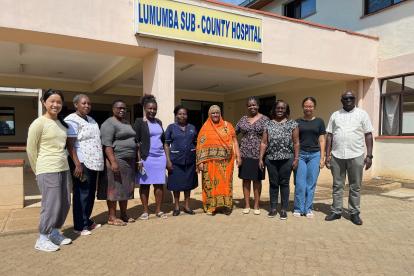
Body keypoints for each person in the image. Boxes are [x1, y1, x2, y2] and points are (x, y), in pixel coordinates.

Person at [27, 89, 72, 252]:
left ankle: (54, 232)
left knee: (65, 202)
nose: (55, 104)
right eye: (52, 101)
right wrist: (37, 170)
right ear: (44, 102)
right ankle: (42, 238)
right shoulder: (38, 123)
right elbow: (31, 150)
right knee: (51, 204)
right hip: (47, 169)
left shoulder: (61, 124)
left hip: (63, 168)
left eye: (59, 102)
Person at [325, 91, 373, 226]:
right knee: (337, 185)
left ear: (355, 99)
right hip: (337, 155)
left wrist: (369, 155)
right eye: (346, 98)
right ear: (341, 100)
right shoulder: (335, 115)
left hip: (356, 155)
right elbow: (329, 136)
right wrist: (327, 155)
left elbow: (368, 134)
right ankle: (336, 211)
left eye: (351, 98)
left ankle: (354, 213)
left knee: (355, 186)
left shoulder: (362, 114)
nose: (348, 100)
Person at [65, 94, 104, 235]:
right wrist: (77, 164)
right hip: (81, 162)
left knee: (90, 193)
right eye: (83, 103)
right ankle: (79, 226)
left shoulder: (92, 120)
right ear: (76, 105)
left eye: (89, 103)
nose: (87, 105)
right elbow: (70, 145)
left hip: (94, 163)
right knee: (81, 193)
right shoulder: (71, 120)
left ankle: (87, 220)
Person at [196, 105, 241, 215]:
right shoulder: (205, 127)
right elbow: (200, 145)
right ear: (209, 114)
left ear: (220, 114)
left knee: (225, 185)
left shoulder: (228, 126)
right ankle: (211, 207)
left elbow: (235, 141)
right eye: (213, 113)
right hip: (209, 163)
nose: (215, 115)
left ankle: (226, 206)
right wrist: (200, 162)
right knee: (210, 186)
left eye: (217, 113)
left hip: (226, 162)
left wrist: (238, 156)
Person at [259, 100, 299, 220]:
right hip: (271, 158)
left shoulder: (293, 124)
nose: (280, 110)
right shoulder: (268, 124)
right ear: (274, 109)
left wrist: (296, 158)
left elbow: (296, 142)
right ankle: (273, 208)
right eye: (278, 108)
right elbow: (264, 142)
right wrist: (260, 158)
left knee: (284, 183)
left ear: (286, 110)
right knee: (273, 183)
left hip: (287, 158)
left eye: (283, 108)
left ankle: (283, 209)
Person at [99, 100, 136, 226]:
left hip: (129, 161)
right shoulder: (109, 123)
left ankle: (124, 214)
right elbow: (107, 145)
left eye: (124, 108)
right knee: (114, 189)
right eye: (119, 108)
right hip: (116, 159)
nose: (122, 110)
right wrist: (113, 162)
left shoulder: (126, 123)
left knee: (126, 188)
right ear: (113, 109)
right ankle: (112, 217)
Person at [134, 95, 168, 220]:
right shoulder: (139, 122)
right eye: (150, 108)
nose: (152, 111)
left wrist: (166, 158)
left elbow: (163, 140)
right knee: (145, 185)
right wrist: (139, 160)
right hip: (146, 158)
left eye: (154, 109)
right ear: (144, 108)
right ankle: (145, 211)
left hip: (159, 158)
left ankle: (158, 210)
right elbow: (136, 142)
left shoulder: (158, 122)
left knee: (159, 185)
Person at [235, 96, 269, 215]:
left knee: (257, 180)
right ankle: (247, 204)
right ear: (247, 107)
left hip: (258, 155)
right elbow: (233, 134)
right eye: (249, 105)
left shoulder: (265, 119)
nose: (252, 107)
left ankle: (256, 205)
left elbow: (269, 137)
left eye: (254, 105)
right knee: (245, 180)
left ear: (258, 106)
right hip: (244, 154)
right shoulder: (243, 119)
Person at [293, 97, 326, 218]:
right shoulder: (297, 122)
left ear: (314, 107)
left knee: (311, 183)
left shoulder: (319, 122)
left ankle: (308, 208)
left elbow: (322, 140)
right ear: (303, 107)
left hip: (314, 155)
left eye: (310, 106)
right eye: (306, 106)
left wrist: (322, 158)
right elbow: (294, 140)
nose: (308, 108)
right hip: (300, 155)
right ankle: (298, 208)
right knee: (300, 183)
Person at [164, 105, 198, 216]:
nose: (182, 116)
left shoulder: (192, 127)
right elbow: (166, 144)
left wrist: (198, 160)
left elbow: (197, 143)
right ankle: (177, 207)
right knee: (176, 185)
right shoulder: (171, 128)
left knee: (188, 184)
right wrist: (168, 160)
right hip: (176, 161)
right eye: (180, 114)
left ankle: (187, 206)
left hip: (190, 161)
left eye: (184, 114)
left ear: (187, 116)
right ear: (176, 115)